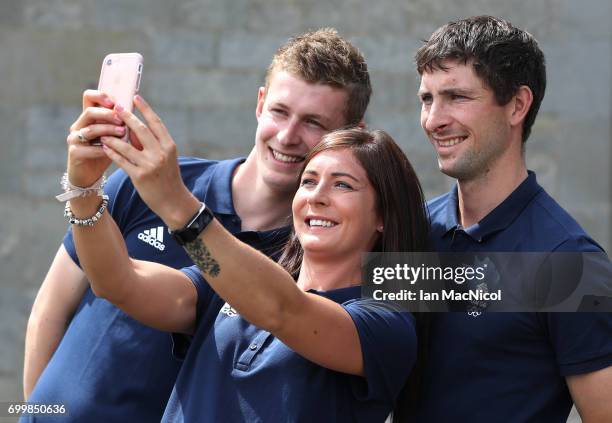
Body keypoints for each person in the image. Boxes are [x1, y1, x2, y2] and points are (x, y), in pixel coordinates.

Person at [23, 29, 372, 422]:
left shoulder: (311, 258)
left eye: (313, 122)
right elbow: (52, 309)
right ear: (260, 103)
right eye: (280, 111)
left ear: (352, 134)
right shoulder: (145, 183)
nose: (289, 136)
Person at [66, 123, 428, 422]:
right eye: (308, 181)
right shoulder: (230, 283)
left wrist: (175, 201)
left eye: (343, 184)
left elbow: (282, 311)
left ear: (383, 216)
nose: (317, 196)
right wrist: (83, 187)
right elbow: (116, 281)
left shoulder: (385, 322)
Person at [408, 15, 612, 422]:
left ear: (517, 105)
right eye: (427, 99)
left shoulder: (570, 262)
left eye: (457, 97)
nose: (433, 120)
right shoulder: (413, 231)